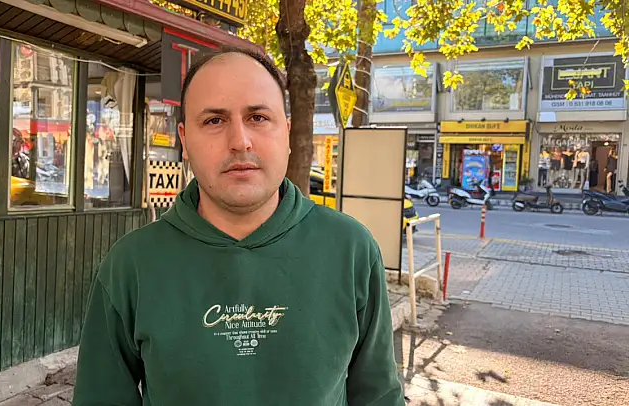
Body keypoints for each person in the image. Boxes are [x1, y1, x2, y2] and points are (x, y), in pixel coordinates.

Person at [72, 47, 405, 406]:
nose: (240, 141)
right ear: (184, 140)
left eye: (258, 117)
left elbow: (379, 396)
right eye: (214, 120)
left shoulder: (351, 250)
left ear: (287, 132)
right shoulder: (132, 265)